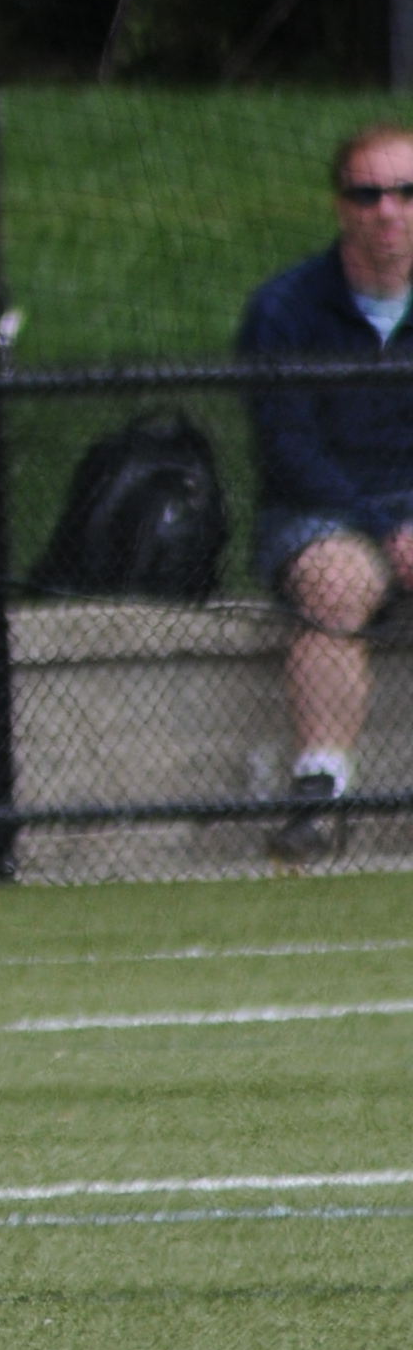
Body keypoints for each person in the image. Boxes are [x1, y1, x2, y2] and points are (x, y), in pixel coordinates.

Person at [241, 122, 413, 859]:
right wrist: (387, 530)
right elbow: (290, 450)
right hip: (323, 512)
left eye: (406, 193)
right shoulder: (283, 310)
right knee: (336, 584)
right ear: (341, 206)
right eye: (367, 194)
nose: (388, 211)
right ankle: (319, 796)